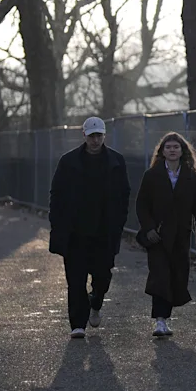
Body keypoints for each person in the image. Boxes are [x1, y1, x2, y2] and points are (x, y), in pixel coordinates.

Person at [49, 117, 131, 339]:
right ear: (84, 136)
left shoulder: (116, 161)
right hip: (75, 232)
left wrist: (118, 223)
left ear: (104, 136)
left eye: (99, 135)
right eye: (92, 135)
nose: (96, 140)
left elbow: (124, 194)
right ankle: (78, 323)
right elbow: (56, 194)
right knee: (75, 279)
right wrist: (57, 225)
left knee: (102, 277)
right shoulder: (68, 162)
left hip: (104, 232)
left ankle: (95, 303)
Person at [135, 131, 196, 337]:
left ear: (183, 150)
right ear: (162, 151)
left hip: (181, 237)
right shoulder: (151, 176)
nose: (172, 150)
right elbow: (141, 205)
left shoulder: (192, 177)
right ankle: (160, 321)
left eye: (176, 147)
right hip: (157, 237)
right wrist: (149, 228)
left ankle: (165, 316)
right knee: (160, 276)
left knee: (177, 276)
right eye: (168, 147)